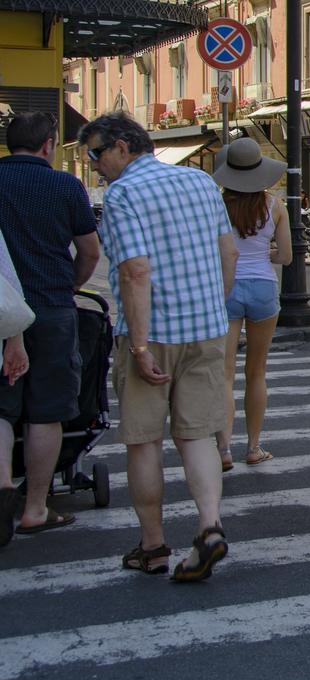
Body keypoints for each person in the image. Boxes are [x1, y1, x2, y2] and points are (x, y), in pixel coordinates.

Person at [80, 112, 238, 581]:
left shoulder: (123, 193)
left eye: (96, 154)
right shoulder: (201, 182)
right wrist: (214, 306)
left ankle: (152, 547)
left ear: (122, 147)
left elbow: (135, 272)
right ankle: (209, 528)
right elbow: (228, 252)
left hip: (152, 334)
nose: (94, 165)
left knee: (144, 439)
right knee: (198, 434)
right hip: (206, 328)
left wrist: (139, 347)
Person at [0, 112, 101, 545]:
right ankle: (35, 509)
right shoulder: (65, 185)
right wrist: (69, 286)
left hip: (1, 311)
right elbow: (90, 252)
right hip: (51, 308)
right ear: (48, 145)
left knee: (1, 406)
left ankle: (2, 487)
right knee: (48, 409)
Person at [212, 138, 289, 470]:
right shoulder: (276, 206)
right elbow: (286, 257)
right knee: (257, 372)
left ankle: (223, 449)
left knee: (225, 374)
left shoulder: (216, 205)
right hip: (263, 288)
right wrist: (263, 252)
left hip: (226, 287)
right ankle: (254, 447)